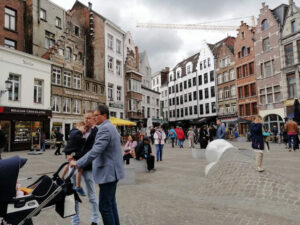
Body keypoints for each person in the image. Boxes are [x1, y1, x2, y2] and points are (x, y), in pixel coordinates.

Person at [70, 105, 124, 225]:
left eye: (96, 115)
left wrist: (78, 163)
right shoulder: (111, 127)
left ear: (104, 116)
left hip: (108, 173)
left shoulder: (104, 129)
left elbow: (95, 151)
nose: (94, 118)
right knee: (111, 203)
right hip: (112, 172)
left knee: (104, 207)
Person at [62, 121, 87, 197]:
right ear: (79, 126)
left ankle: (62, 177)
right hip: (72, 153)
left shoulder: (72, 131)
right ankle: (78, 186)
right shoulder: (77, 133)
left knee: (69, 164)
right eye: (84, 128)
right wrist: (84, 140)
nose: (84, 130)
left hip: (68, 152)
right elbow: (78, 139)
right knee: (79, 169)